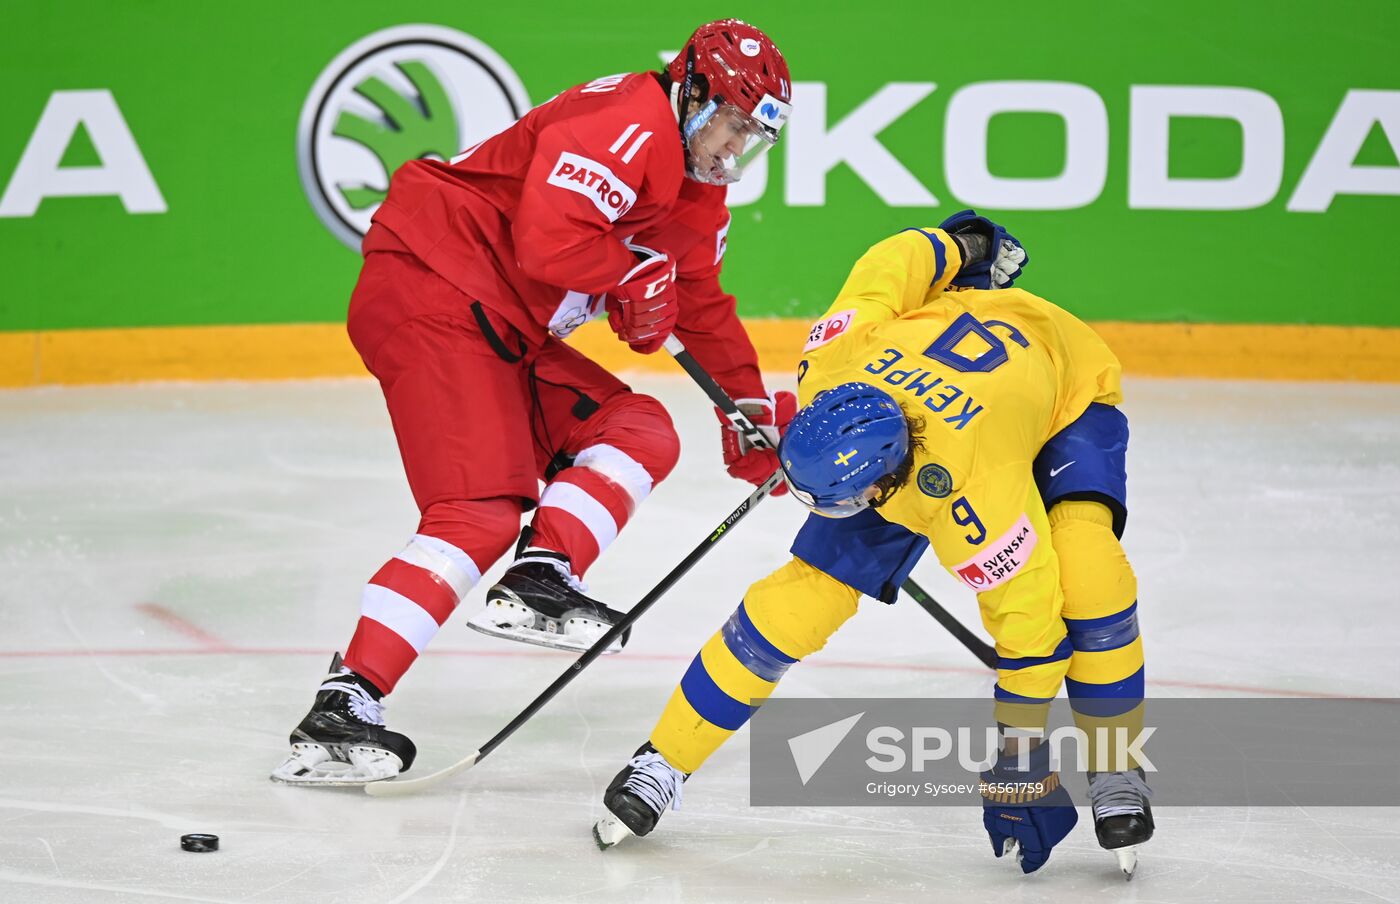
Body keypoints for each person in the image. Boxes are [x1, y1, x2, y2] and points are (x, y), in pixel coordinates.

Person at [272, 20, 801, 786]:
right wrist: (628, 274)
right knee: (478, 512)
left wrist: (746, 411)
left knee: (639, 429)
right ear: (693, 94)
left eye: (751, 137)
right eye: (730, 125)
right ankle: (344, 704)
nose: (732, 149)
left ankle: (542, 573)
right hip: (435, 286)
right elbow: (548, 243)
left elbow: (700, 304)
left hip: (499, 320)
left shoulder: (696, 189)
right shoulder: (629, 120)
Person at [592, 215, 1154, 877]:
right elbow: (887, 267)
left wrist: (1019, 762)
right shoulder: (829, 363)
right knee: (793, 605)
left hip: (1065, 389)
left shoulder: (977, 495)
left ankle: (1117, 765)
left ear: (883, 480)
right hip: (949, 381)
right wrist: (961, 244)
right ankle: (662, 759)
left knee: (1089, 576)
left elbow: (1029, 627)